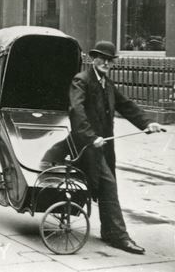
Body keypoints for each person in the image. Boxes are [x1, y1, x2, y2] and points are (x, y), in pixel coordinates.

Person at [69, 40, 164, 255]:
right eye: (102, 58)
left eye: (110, 60)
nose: (106, 63)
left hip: (103, 147)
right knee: (108, 185)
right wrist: (90, 137)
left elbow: (126, 105)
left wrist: (148, 123)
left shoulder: (107, 84)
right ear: (93, 59)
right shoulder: (81, 80)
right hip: (86, 146)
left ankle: (109, 231)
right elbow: (77, 111)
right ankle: (119, 236)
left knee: (107, 185)